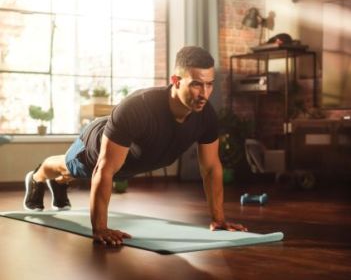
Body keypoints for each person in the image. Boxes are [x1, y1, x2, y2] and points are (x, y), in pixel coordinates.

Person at [24, 46, 247, 246]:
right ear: (176, 80)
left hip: (129, 160)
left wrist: (218, 220)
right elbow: (105, 169)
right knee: (70, 167)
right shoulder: (138, 108)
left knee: (84, 173)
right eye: (196, 84)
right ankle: (37, 177)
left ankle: (60, 184)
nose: (205, 94)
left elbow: (210, 167)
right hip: (98, 144)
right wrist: (100, 228)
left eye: (209, 84)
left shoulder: (206, 116)